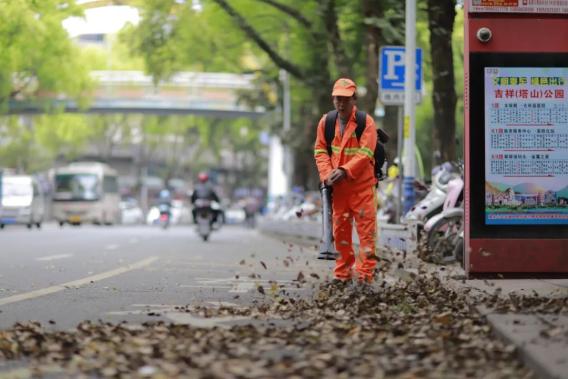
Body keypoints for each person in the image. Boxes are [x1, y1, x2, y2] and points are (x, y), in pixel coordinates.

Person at [313, 78, 378, 283]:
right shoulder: (326, 122)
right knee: (340, 236)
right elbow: (320, 151)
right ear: (333, 99)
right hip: (339, 191)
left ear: (354, 99)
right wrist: (326, 175)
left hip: (362, 189)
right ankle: (342, 276)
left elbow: (365, 153)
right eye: (338, 99)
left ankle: (365, 278)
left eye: (346, 99)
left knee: (366, 236)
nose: (341, 103)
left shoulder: (366, 122)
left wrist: (344, 170)